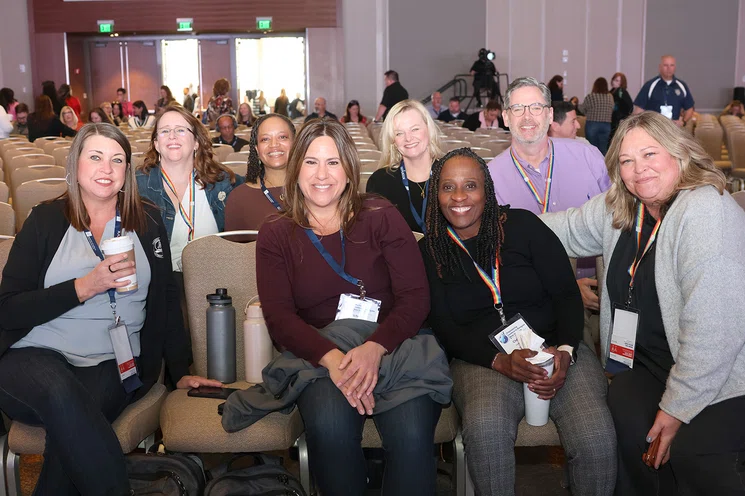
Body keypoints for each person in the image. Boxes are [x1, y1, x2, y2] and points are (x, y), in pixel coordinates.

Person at [0, 123, 220, 495]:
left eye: (117, 160)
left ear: (127, 171)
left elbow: (166, 300)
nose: (107, 168)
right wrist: (85, 287)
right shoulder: (45, 221)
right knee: (63, 395)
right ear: (76, 164)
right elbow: (8, 310)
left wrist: (179, 371)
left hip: (114, 360)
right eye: (96, 157)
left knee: (72, 427)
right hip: (34, 356)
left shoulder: (148, 222)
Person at [541, 111, 745, 495]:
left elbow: (714, 333)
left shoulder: (705, 212)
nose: (639, 170)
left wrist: (675, 410)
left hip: (726, 375)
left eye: (650, 155)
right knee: (625, 418)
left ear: (678, 153)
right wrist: (496, 222)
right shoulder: (624, 207)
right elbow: (562, 229)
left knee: (689, 451)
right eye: (627, 161)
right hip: (650, 363)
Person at [256, 118, 448, 496]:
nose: (322, 174)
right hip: (322, 357)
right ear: (295, 171)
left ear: (349, 169)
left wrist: (374, 349)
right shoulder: (276, 233)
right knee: (329, 430)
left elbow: (415, 298)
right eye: (311, 162)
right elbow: (279, 318)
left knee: (411, 438)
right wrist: (335, 361)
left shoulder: (381, 217)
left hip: (395, 345)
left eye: (332, 162)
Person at [422, 148, 616, 495]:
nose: (460, 197)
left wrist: (567, 351)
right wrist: (498, 360)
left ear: (488, 190)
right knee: (485, 432)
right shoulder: (431, 251)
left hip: (556, 347)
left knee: (596, 436)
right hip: (482, 358)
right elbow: (445, 327)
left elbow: (566, 296)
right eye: (448, 187)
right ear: (436, 194)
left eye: (470, 185)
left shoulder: (524, 227)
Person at [488, 77, 611, 343]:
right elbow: (500, 257)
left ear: (550, 114)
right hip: (535, 300)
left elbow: (616, 221)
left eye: (536, 107)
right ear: (506, 117)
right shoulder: (490, 178)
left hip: (602, 287)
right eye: (518, 108)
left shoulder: (588, 156)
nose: (527, 116)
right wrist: (566, 287)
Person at [136, 105, 243, 283]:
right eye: (164, 131)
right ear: (156, 143)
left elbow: (259, 186)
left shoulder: (221, 182)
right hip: (159, 286)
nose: (172, 136)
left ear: (196, 142)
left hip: (214, 283)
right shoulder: (137, 184)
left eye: (180, 130)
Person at [366, 99, 444, 233]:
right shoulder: (380, 182)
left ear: (428, 130)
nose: (408, 138)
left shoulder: (451, 175)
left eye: (415, 129)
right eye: (399, 133)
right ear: (393, 140)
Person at [224, 113, 295, 238]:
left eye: (282, 137)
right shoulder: (239, 198)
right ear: (257, 149)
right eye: (265, 139)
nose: (274, 144)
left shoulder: (318, 189)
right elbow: (233, 255)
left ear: (295, 143)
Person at [634, 55, 694, 127]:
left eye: (671, 65)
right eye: (665, 65)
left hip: (674, 130)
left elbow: (690, 108)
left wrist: (683, 122)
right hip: (654, 130)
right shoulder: (650, 85)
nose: (669, 68)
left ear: (675, 67)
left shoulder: (681, 86)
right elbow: (638, 110)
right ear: (660, 67)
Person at [580, 78, 615, 155]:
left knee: (591, 149)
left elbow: (582, 109)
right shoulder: (610, 97)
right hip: (606, 125)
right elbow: (612, 108)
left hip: (592, 124)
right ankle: (603, 166)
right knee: (603, 149)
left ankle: (591, 166)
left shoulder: (590, 96)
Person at [610, 72, 634, 142]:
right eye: (615, 80)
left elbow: (629, 106)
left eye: (619, 81)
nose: (616, 83)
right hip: (612, 121)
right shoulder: (612, 92)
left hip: (618, 122)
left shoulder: (621, 92)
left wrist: (623, 118)